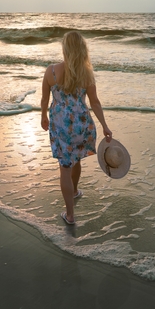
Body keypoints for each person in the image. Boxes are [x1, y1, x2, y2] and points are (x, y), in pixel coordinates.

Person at [40, 31, 112, 226]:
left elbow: (45, 99)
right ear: (82, 50)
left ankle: (70, 215)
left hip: (61, 124)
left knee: (65, 167)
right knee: (76, 157)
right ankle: (74, 190)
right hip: (81, 123)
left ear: (65, 49)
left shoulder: (51, 71)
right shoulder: (86, 73)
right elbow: (95, 102)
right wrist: (105, 126)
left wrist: (43, 116)